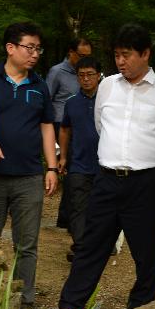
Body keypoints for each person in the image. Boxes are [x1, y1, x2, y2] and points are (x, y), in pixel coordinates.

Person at [55, 23, 155, 309]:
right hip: (105, 180)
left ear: (145, 54)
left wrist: (148, 149)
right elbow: (101, 124)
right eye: (116, 55)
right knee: (91, 245)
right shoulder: (107, 86)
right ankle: (69, 308)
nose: (120, 61)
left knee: (145, 250)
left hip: (146, 183)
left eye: (127, 55)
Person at [0, 22, 59, 309]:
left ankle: (24, 302)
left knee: (27, 244)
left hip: (29, 177)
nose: (35, 54)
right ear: (11, 48)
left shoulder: (40, 85)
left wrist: (52, 166)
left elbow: (47, 126)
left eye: (38, 49)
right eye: (29, 48)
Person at [57, 56, 101, 263]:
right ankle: (81, 248)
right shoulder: (72, 103)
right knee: (77, 207)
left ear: (99, 76)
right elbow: (64, 129)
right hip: (79, 164)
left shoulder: (109, 101)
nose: (85, 79)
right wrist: (63, 157)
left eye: (90, 75)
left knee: (101, 208)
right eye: (81, 75)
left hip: (106, 165)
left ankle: (99, 246)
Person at [47, 38, 92, 229]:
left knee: (77, 173)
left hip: (79, 126)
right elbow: (46, 100)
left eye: (88, 57)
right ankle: (68, 218)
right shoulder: (57, 72)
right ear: (71, 52)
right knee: (73, 171)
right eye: (82, 56)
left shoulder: (88, 74)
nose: (85, 60)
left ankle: (68, 217)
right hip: (60, 126)